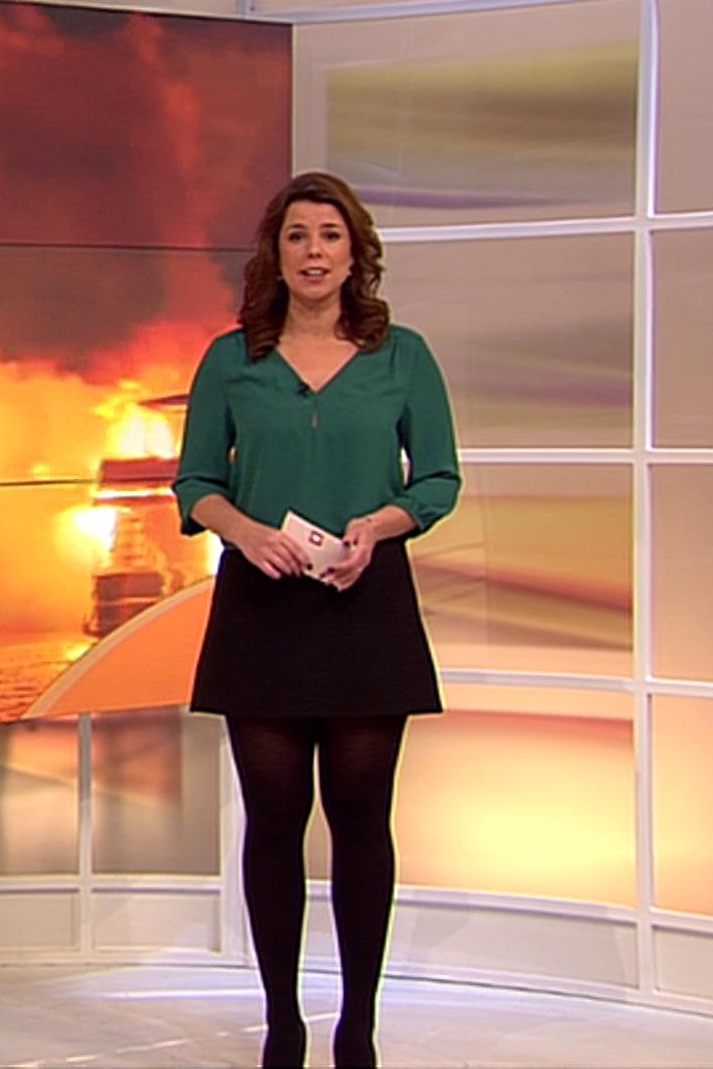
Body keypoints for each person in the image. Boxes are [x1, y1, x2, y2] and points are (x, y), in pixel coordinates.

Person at [172, 170, 461, 1069]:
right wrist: (245, 531)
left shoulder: (402, 356)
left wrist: (379, 526)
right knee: (273, 819)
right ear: (276, 252)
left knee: (362, 817)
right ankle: (283, 1024)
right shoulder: (232, 360)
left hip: (364, 605)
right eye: (298, 236)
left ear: (355, 252)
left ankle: (358, 1025)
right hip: (261, 608)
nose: (314, 252)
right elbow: (194, 481)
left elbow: (438, 479)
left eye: (330, 236)